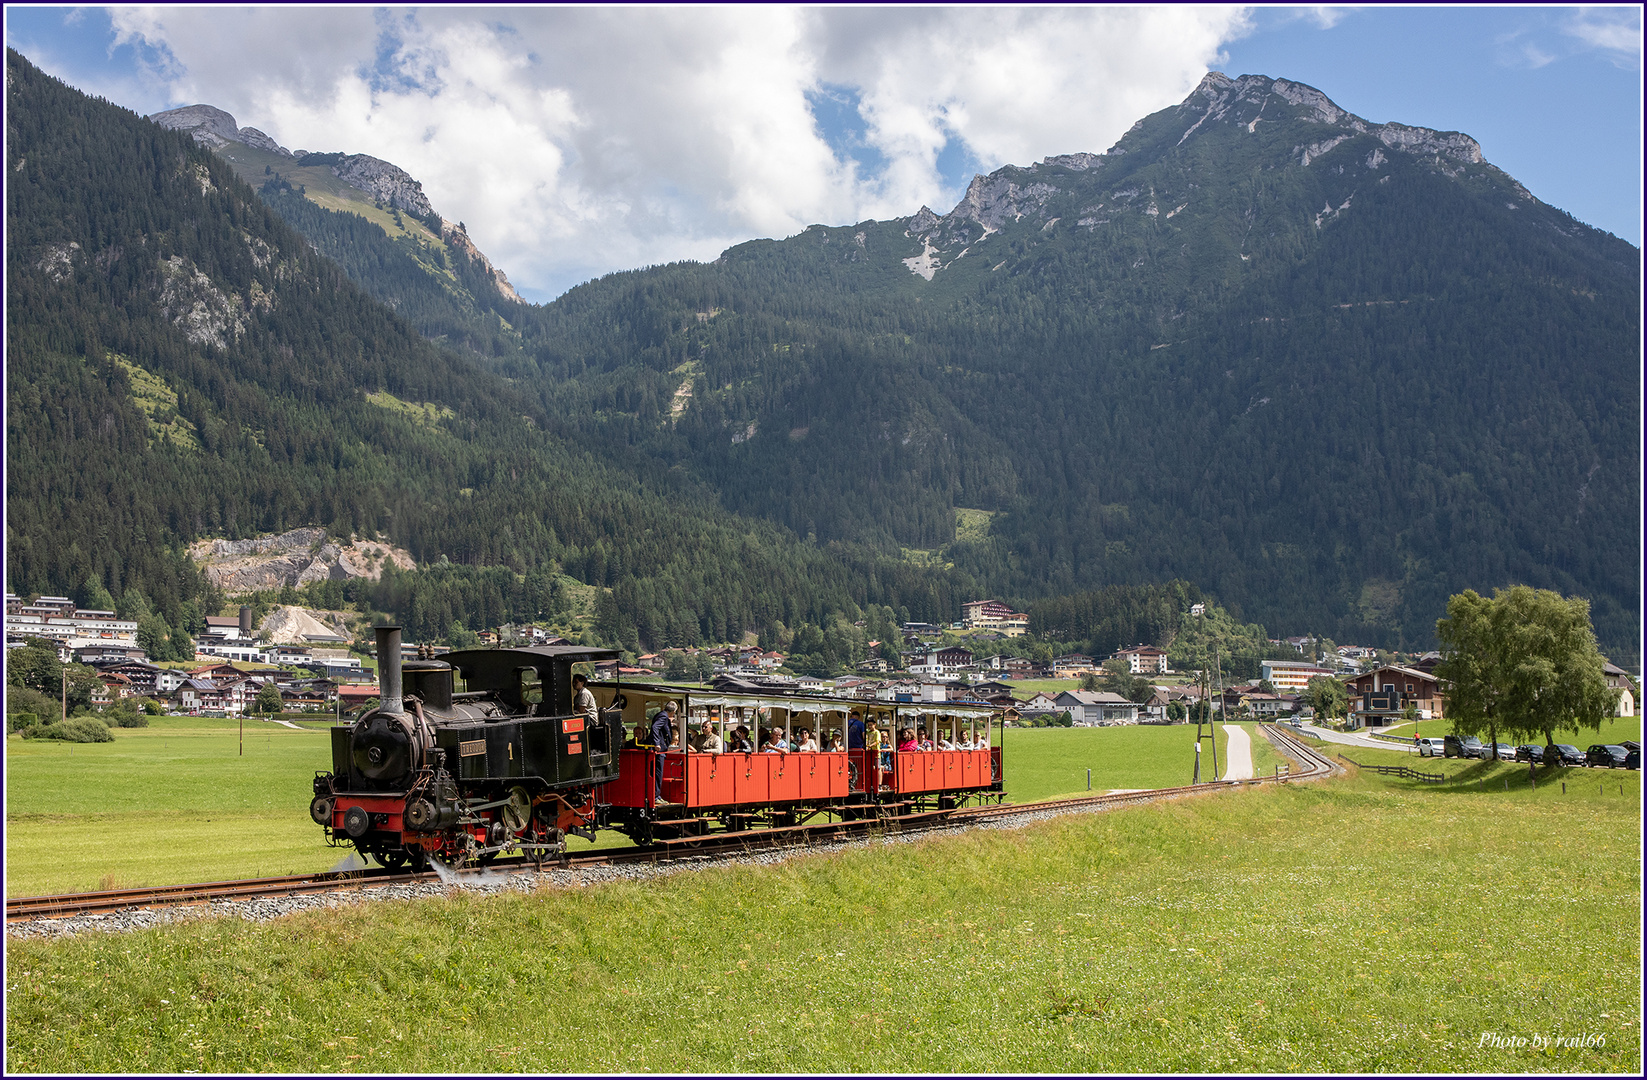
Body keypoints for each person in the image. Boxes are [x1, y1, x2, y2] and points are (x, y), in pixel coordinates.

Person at [651, 702, 678, 804]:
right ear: (673, 711)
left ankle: (656, 795)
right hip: (659, 750)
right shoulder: (663, 716)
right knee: (658, 773)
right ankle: (656, 796)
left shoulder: (661, 715)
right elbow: (655, 727)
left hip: (661, 749)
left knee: (658, 773)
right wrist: (657, 743)